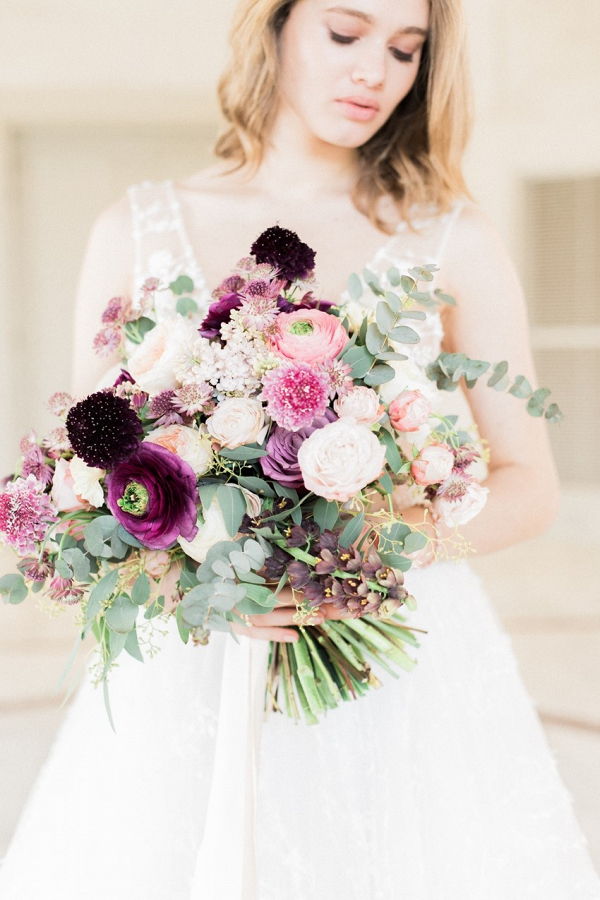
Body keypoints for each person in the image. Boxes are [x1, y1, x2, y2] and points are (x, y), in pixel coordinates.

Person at [1, 0, 599, 897]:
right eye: (346, 34)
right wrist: (205, 581)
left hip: (392, 667)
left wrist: (373, 547)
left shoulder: (452, 237)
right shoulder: (135, 229)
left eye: (406, 50)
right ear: (274, 25)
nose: (377, 73)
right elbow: (91, 481)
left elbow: (532, 486)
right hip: (193, 663)